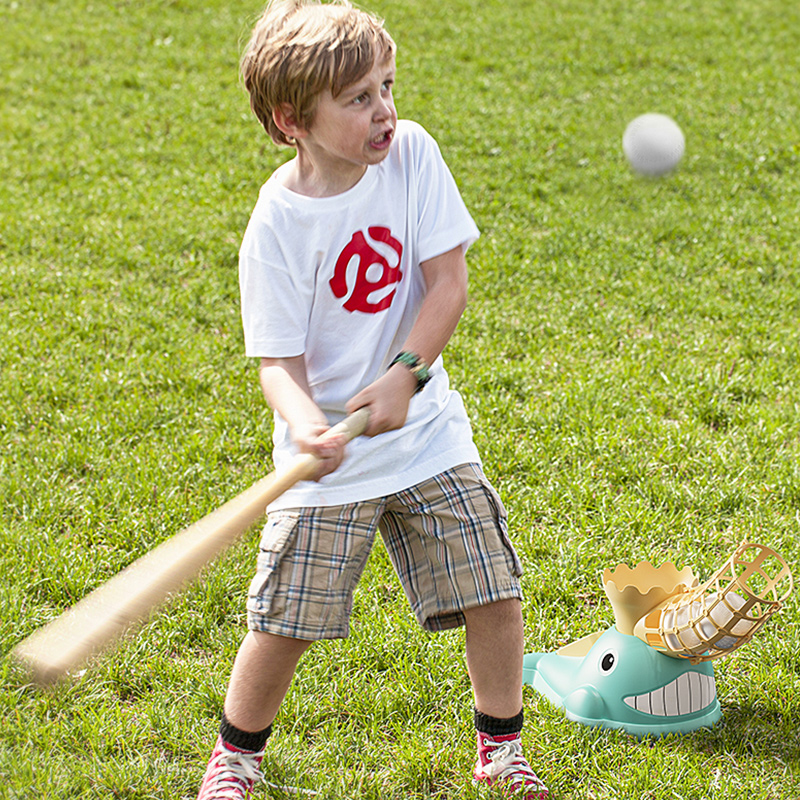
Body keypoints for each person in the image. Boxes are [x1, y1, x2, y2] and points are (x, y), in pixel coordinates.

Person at [196, 1, 548, 797]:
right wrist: (309, 425)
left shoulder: (412, 154)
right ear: (293, 121)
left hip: (426, 434)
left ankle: (501, 749)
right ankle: (237, 757)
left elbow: (447, 284)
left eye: (386, 85)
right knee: (285, 619)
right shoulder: (277, 224)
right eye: (358, 99)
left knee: (492, 587)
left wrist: (407, 373)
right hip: (330, 463)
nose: (384, 109)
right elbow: (277, 362)